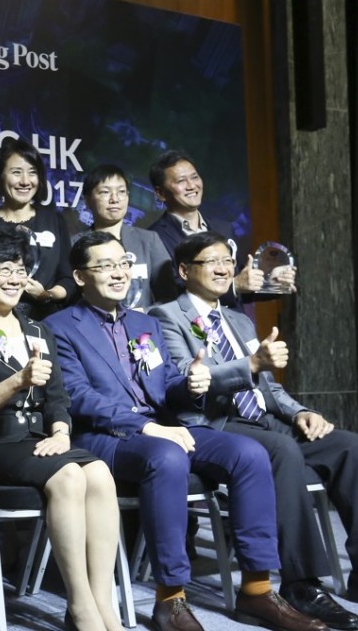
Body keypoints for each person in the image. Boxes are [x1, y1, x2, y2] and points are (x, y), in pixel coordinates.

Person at [44, 230, 324, 631]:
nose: (119, 272)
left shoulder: (143, 322)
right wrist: (146, 426)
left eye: (123, 263)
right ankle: (170, 600)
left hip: (164, 428)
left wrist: (191, 384)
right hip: (105, 437)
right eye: (105, 266)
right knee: (168, 457)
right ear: (80, 276)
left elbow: (169, 387)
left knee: (248, 453)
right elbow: (78, 398)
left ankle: (257, 590)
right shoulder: (59, 326)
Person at [150, 231, 358, 629]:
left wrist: (302, 411)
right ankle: (301, 584)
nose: (224, 268)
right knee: (280, 450)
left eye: (227, 260)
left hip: (265, 419)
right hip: (218, 424)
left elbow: (270, 388)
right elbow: (185, 380)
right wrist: (251, 366)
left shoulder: (238, 318)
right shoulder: (165, 316)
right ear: (183, 270)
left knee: (348, 446)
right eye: (211, 261)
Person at [0, 230, 122, 631]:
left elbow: (57, 397)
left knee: (100, 474)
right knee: (71, 476)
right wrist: (17, 382)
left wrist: (60, 432)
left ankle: (103, 601)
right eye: (2, 270)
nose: (13, 278)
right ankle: (80, 607)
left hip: (37, 441)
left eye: (20, 270)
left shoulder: (39, 330)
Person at [146, 150, 294, 305]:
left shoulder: (223, 228)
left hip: (232, 325)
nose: (191, 185)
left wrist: (274, 283)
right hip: (191, 328)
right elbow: (173, 295)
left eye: (195, 177)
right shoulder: (153, 238)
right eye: (181, 181)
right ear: (160, 193)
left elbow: (241, 287)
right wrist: (234, 286)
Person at [0, 137, 74, 320]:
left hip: (48, 322)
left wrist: (47, 295)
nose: (25, 181)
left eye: (32, 172)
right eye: (16, 172)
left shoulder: (54, 221)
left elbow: (68, 278)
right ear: (0, 175)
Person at [75, 163, 177, 307]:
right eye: (105, 192)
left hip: (142, 327)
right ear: (87, 200)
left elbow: (169, 297)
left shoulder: (148, 240)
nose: (114, 199)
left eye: (121, 191)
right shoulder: (76, 243)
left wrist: (144, 315)